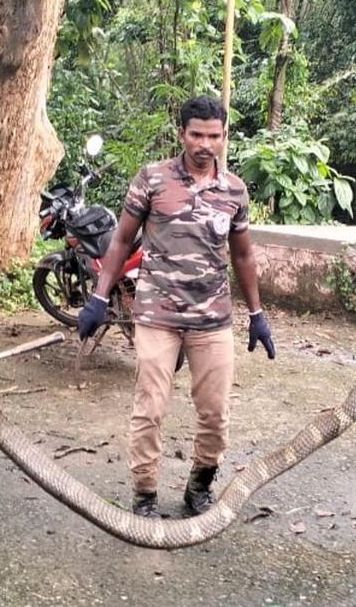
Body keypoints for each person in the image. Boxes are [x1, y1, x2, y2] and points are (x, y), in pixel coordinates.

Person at [76, 96, 276, 519]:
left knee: (216, 411)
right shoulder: (152, 179)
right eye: (197, 134)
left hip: (212, 317)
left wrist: (257, 314)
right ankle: (144, 494)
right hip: (157, 313)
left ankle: (200, 484)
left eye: (214, 136)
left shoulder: (234, 190)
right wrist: (98, 297)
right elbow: (121, 240)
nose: (205, 144)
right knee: (150, 407)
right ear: (182, 134)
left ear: (224, 136)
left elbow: (242, 256)